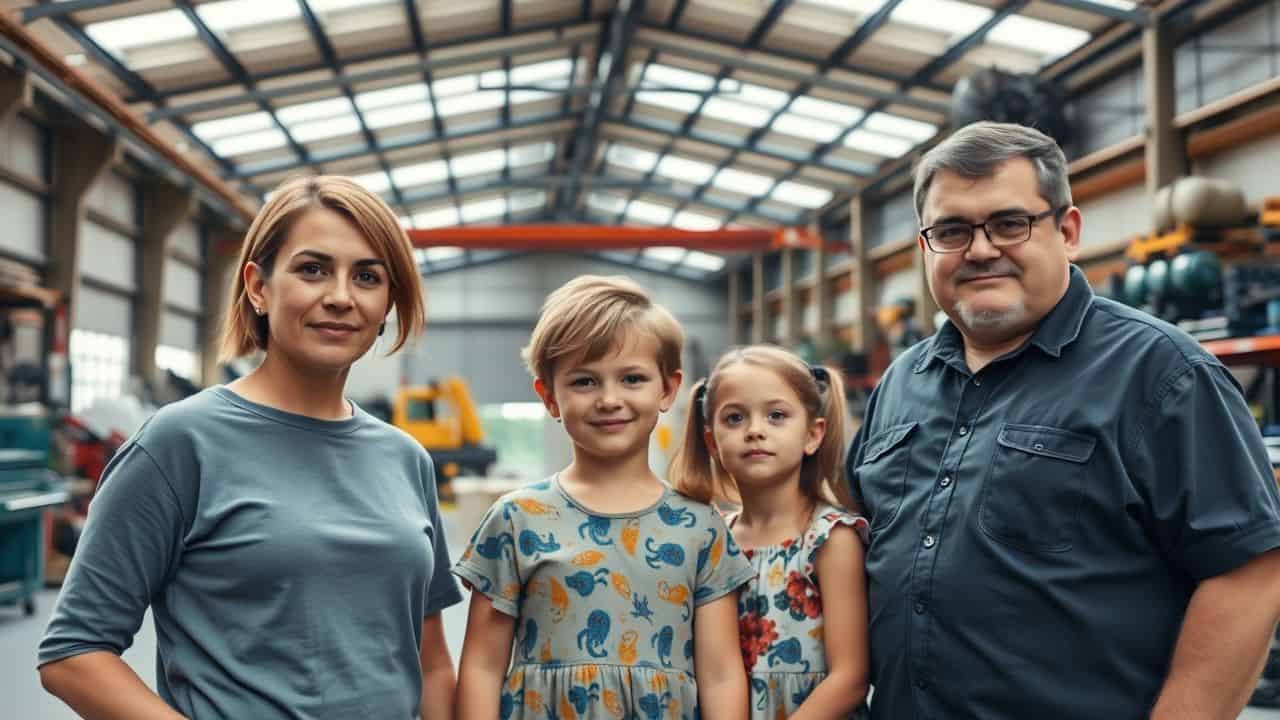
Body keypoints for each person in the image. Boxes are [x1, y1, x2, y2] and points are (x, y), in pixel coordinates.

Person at [847, 121, 1280, 718]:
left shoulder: (1161, 375)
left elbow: (1249, 571)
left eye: (1009, 223)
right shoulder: (900, 383)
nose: (980, 249)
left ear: (1068, 231)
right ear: (926, 247)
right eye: (951, 230)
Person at [37, 175, 462, 719]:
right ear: (258, 287)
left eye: (367, 277)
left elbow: (432, 666)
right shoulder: (180, 443)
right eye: (313, 269)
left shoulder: (406, 460)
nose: (339, 296)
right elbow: (74, 652)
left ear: (387, 304)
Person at [452, 275, 753, 719]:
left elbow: (722, 673)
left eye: (632, 378)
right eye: (585, 382)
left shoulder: (699, 527)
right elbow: (481, 665)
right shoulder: (516, 519)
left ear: (668, 389)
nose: (609, 399)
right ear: (549, 397)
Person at [671, 345, 870, 719]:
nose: (755, 431)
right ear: (712, 442)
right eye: (734, 419)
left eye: (776, 416)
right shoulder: (714, 539)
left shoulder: (830, 539)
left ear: (812, 435)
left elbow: (851, 676)